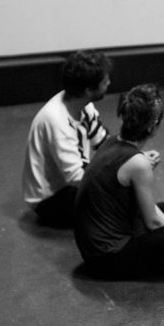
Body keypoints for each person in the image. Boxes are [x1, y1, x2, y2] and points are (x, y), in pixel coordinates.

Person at [75, 84, 164, 276]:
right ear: (153, 127)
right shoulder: (138, 164)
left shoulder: (112, 142)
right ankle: (156, 262)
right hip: (107, 258)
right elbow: (152, 221)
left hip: (93, 248)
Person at [22, 50, 116, 227]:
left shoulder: (82, 105)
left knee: (124, 189)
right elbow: (76, 177)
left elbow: (103, 142)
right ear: (88, 90)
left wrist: (133, 157)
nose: (109, 83)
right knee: (117, 202)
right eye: (105, 82)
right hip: (50, 200)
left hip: (71, 184)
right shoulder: (57, 122)